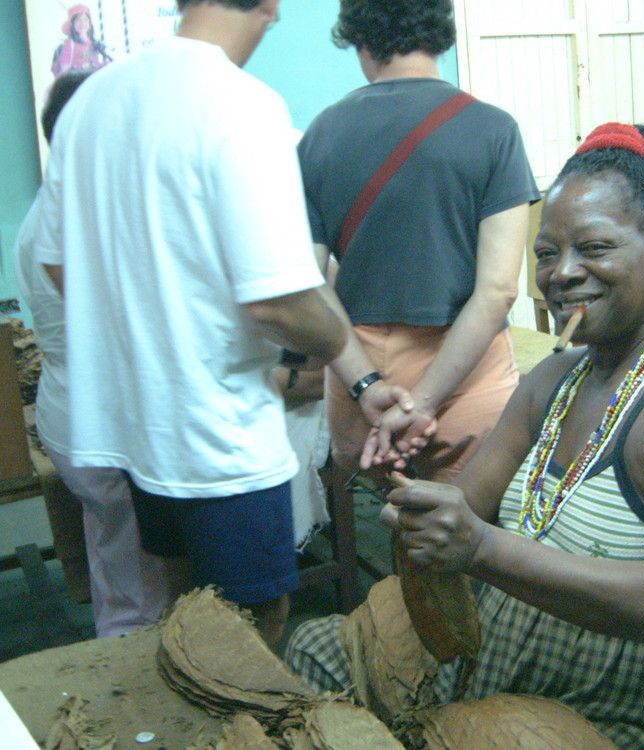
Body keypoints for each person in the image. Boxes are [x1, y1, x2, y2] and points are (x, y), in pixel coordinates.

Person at [287, 123, 644, 748]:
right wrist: (420, 498)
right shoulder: (558, 376)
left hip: (637, 700)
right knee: (312, 651)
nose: (564, 273)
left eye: (594, 248)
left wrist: (481, 550)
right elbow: (470, 505)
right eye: (547, 254)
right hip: (510, 658)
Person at [30, 0, 402, 648]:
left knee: (183, 613)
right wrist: (359, 368)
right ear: (270, 6)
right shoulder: (241, 103)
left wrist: (155, 327)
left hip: (139, 428)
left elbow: (62, 267)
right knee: (254, 631)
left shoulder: (93, 100)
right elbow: (279, 303)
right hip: (218, 433)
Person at [297, 0, 539, 485]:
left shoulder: (321, 132)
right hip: (465, 374)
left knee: (395, 516)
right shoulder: (493, 130)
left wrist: (366, 385)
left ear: (359, 39)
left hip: (359, 377)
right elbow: (498, 290)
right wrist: (424, 402)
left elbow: (306, 282)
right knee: (463, 536)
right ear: (442, 32)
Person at [15, 71, 172, 638]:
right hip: (105, 414)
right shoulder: (79, 215)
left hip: (79, 409)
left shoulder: (51, 211)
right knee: (144, 576)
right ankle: (141, 682)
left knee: (117, 551)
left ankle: (122, 644)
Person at [51, 4, 111, 77]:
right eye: (78, 20)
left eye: (85, 19)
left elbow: (94, 65)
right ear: (72, 24)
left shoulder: (94, 43)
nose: (82, 23)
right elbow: (64, 75)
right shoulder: (70, 45)